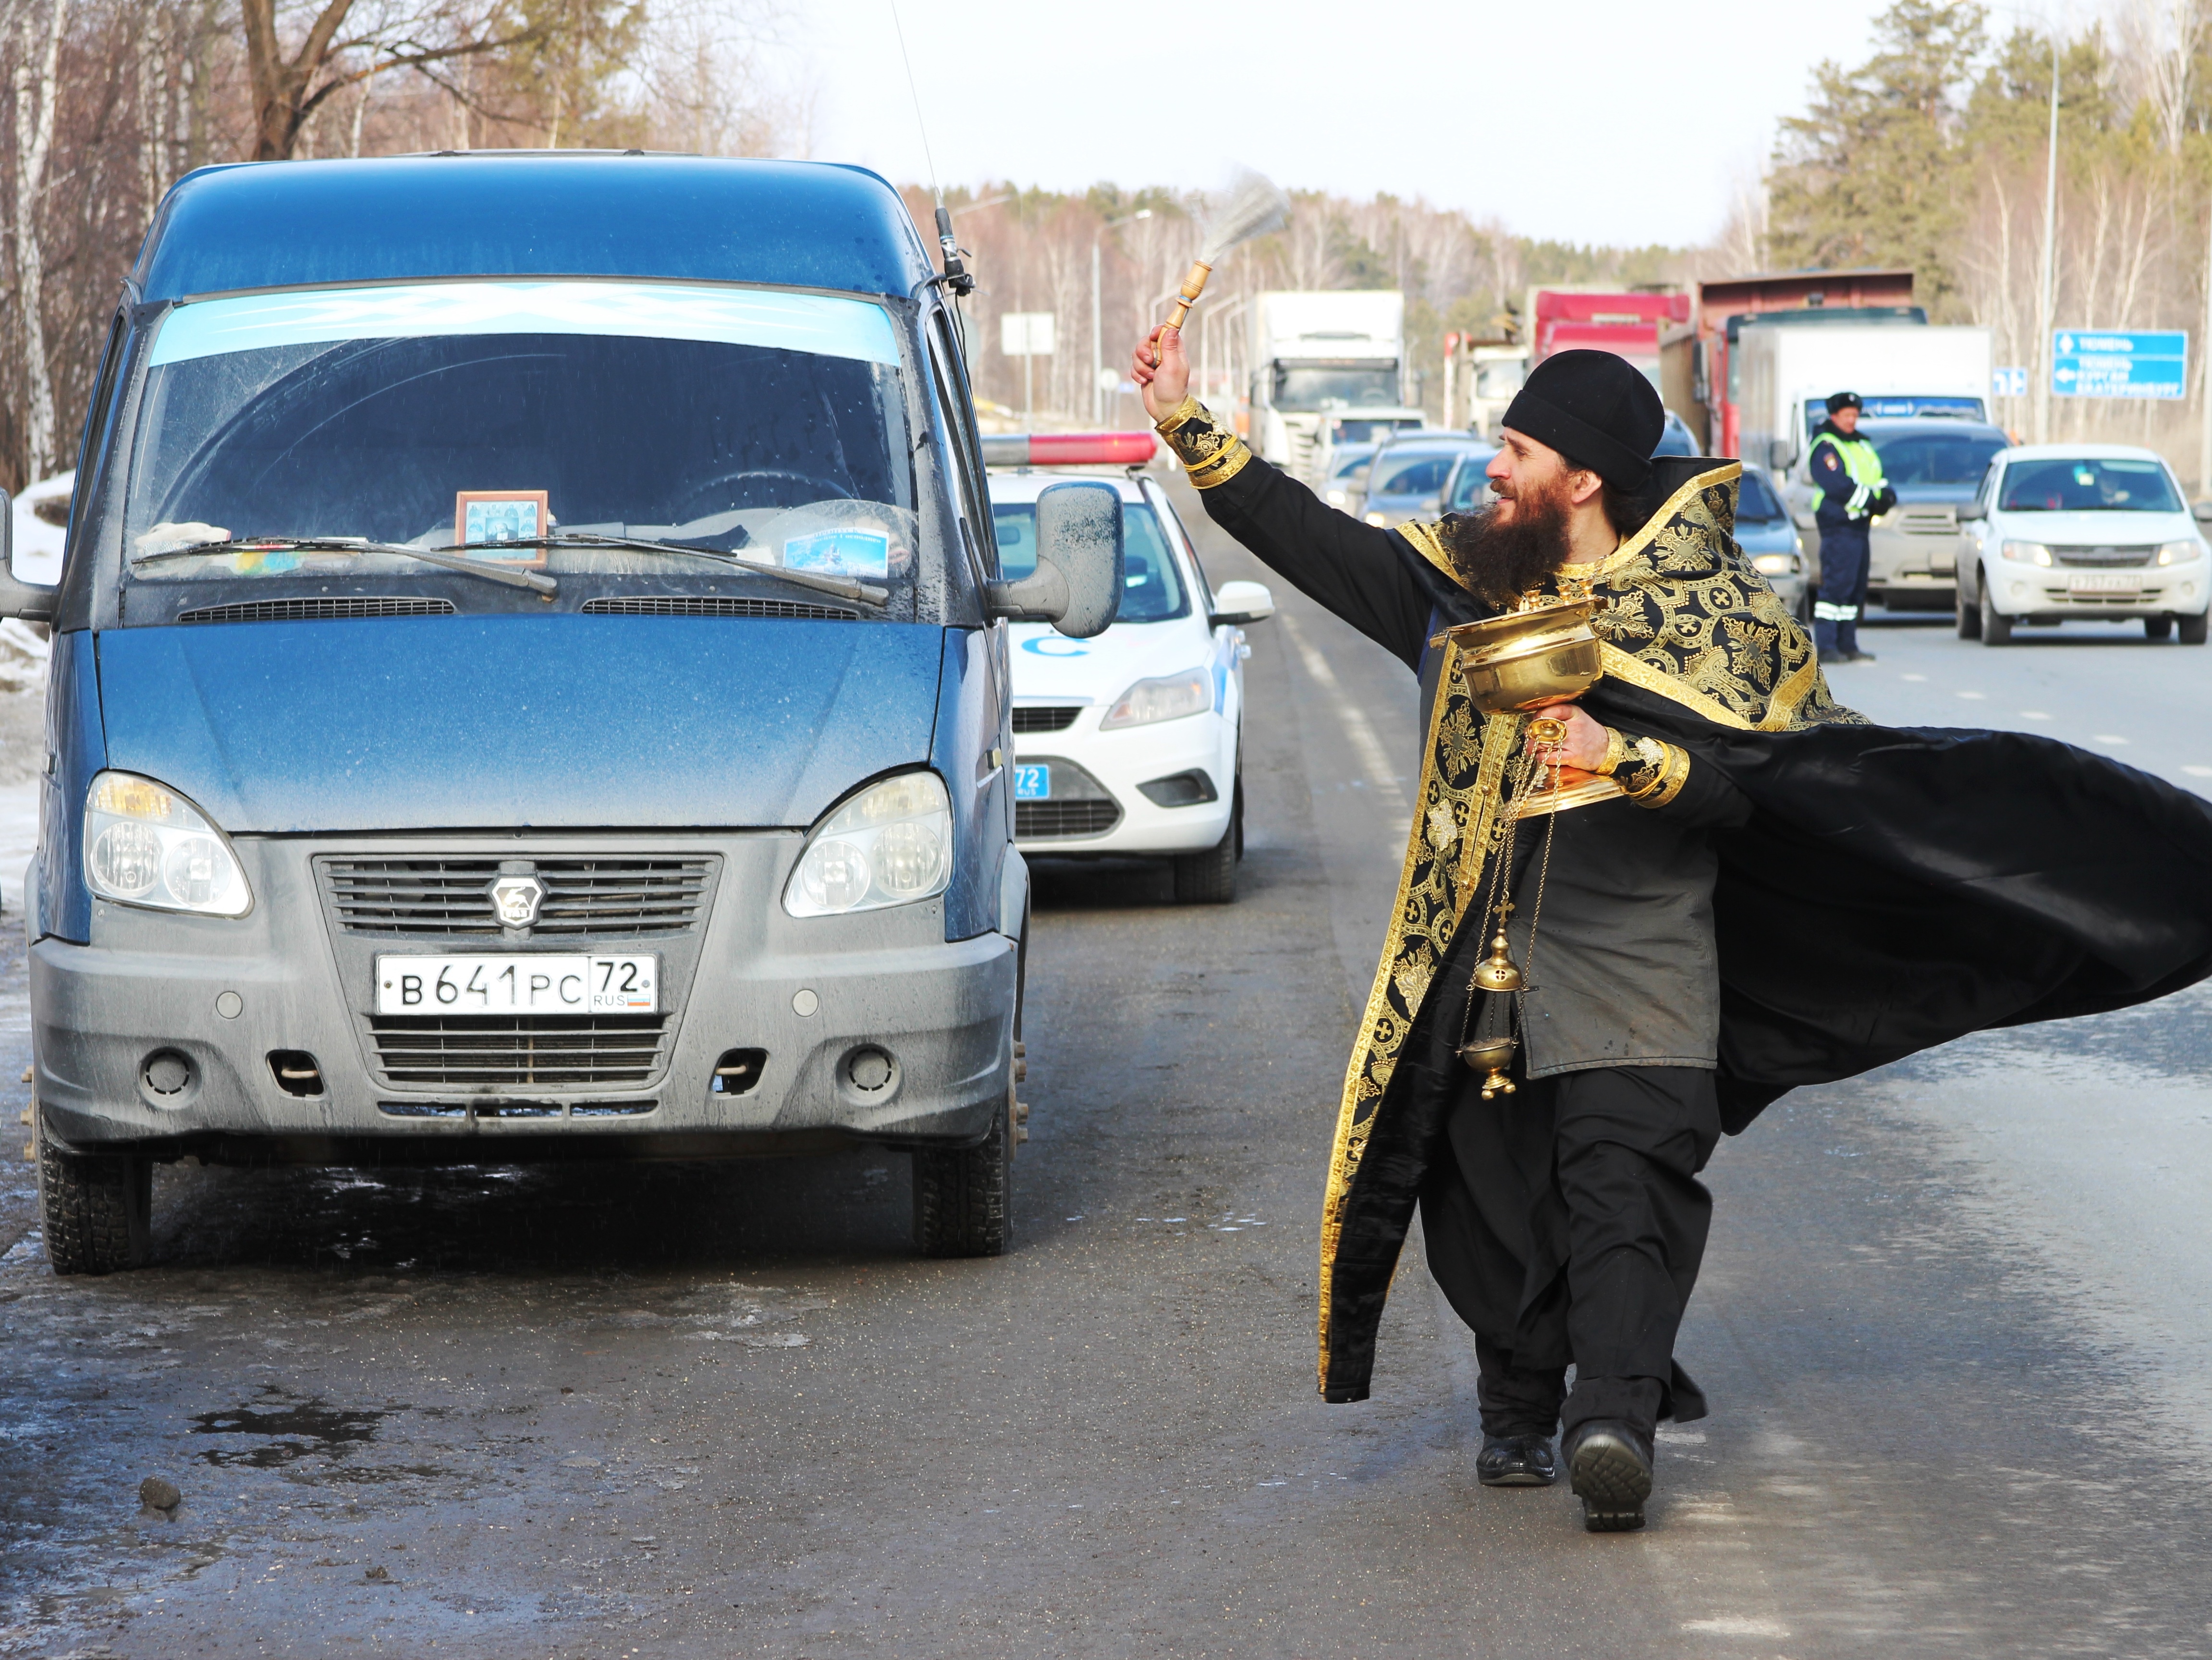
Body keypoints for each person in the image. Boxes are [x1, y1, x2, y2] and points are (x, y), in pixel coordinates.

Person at [1131, 324, 2212, 1534]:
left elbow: (1765, 785)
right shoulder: (1462, 587)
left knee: (1619, 1189)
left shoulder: (1719, 618)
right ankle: (1514, 1404)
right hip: (1487, 963)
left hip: (1644, 958)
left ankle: (1611, 1424)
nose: (1491, 467)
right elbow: (1307, 536)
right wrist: (1186, 420)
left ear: (1580, 476)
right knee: (1487, 1197)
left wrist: (1625, 754)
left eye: (1513, 446)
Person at [1806, 391, 1895, 666]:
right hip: (1838, 525)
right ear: (1834, 416)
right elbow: (1836, 485)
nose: (1852, 420)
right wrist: (1871, 501)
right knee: (1835, 587)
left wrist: (1885, 497)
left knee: (1854, 588)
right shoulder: (1826, 446)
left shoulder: (1861, 444)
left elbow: (1877, 477)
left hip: (1859, 526)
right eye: (1847, 415)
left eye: (1855, 416)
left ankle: (1848, 644)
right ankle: (1828, 645)